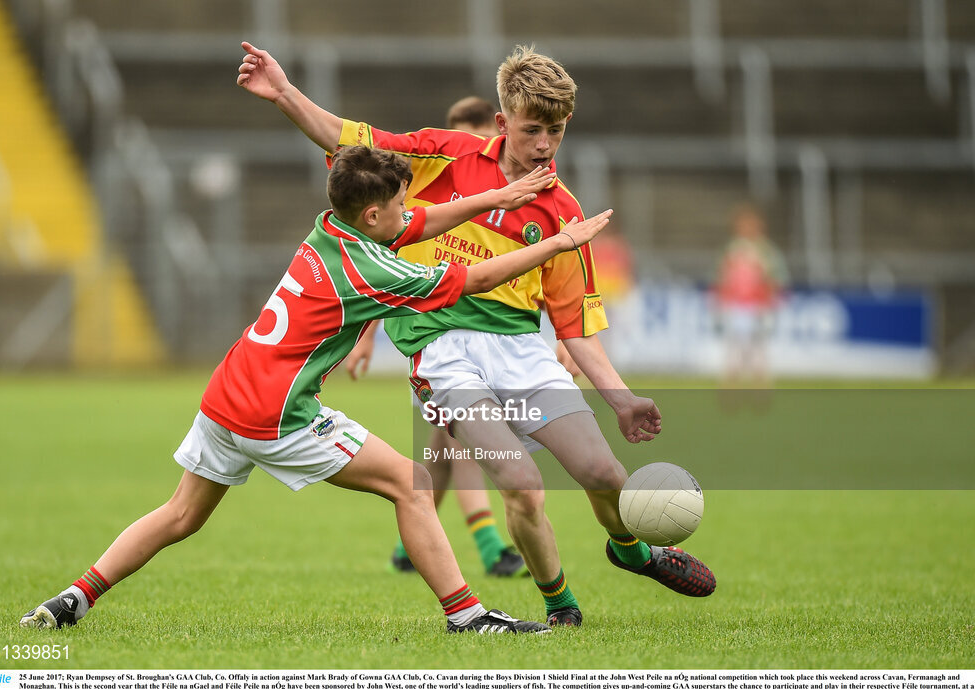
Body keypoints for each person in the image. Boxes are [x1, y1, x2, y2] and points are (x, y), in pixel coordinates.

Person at [20, 145, 615, 635]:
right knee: (409, 487)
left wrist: (498, 197)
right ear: (374, 216)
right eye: (400, 203)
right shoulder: (372, 272)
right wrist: (559, 243)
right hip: (278, 415)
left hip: (227, 393)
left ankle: (73, 599)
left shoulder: (331, 226)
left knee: (180, 514)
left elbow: (417, 223)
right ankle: (468, 616)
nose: (410, 211)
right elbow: (476, 277)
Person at [237, 41, 716, 628]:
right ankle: (562, 608)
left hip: (521, 350)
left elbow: (575, 327)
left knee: (605, 476)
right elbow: (347, 140)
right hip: (442, 353)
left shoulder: (563, 211)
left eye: (557, 131)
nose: (545, 145)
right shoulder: (446, 155)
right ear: (502, 123)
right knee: (521, 482)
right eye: (533, 129)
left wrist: (622, 399)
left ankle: (630, 549)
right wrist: (283, 92)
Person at [345, 96, 528, 578]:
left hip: (489, 344)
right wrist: (365, 337)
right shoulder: (422, 201)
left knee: (442, 451)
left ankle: (410, 547)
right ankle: (491, 548)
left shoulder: (515, 198)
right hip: (435, 346)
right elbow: (386, 273)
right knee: (460, 446)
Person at [712, 203, 788, 389]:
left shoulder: (767, 251)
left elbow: (776, 279)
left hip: (758, 307)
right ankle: (731, 390)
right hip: (736, 307)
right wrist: (720, 304)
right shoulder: (731, 250)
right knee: (733, 351)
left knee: (758, 351)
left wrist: (770, 304)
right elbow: (722, 278)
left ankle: (760, 390)